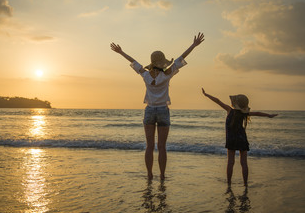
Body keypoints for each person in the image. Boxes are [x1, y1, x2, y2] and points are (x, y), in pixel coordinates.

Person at [110, 33, 205, 180]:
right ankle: (162, 175)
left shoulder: (146, 75)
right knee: (162, 147)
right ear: (163, 63)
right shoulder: (167, 74)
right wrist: (194, 45)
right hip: (163, 110)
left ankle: (149, 174)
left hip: (149, 110)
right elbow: (181, 58)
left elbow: (134, 61)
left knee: (149, 146)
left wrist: (120, 52)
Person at [202, 88, 277, 186]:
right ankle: (245, 184)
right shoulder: (244, 113)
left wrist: (206, 94)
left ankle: (229, 183)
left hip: (231, 140)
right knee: (244, 163)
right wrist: (269, 115)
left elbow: (218, 101)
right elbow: (258, 113)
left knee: (230, 162)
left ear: (235, 103)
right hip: (242, 139)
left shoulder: (229, 110)